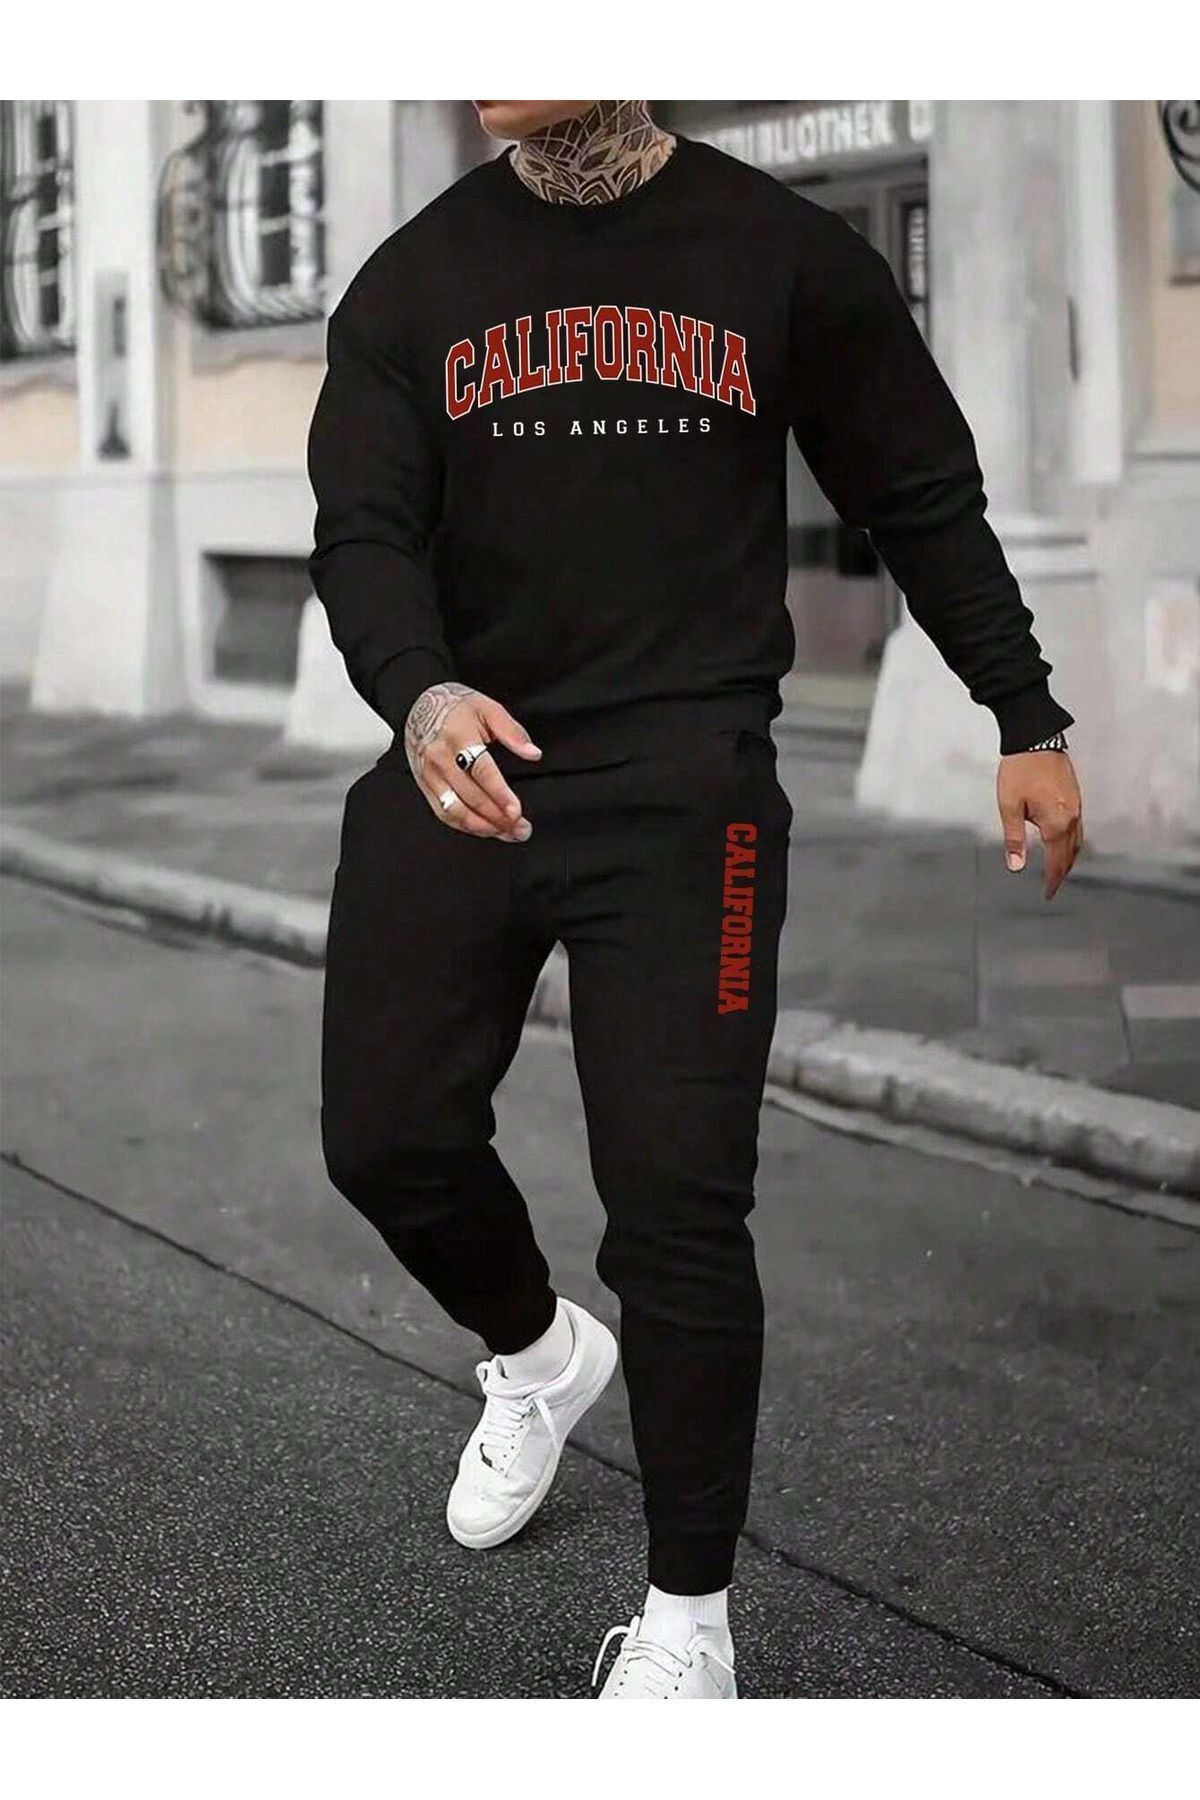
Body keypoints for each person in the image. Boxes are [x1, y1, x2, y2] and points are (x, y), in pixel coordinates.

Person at [306, 99, 1083, 1700]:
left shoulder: (780, 257)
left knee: (677, 1208)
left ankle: (689, 1630)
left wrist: (1025, 712)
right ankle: (538, 1357)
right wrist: (419, 690)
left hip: (687, 800)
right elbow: (361, 529)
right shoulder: (412, 282)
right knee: (385, 1138)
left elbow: (918, 489)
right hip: (468, 766)